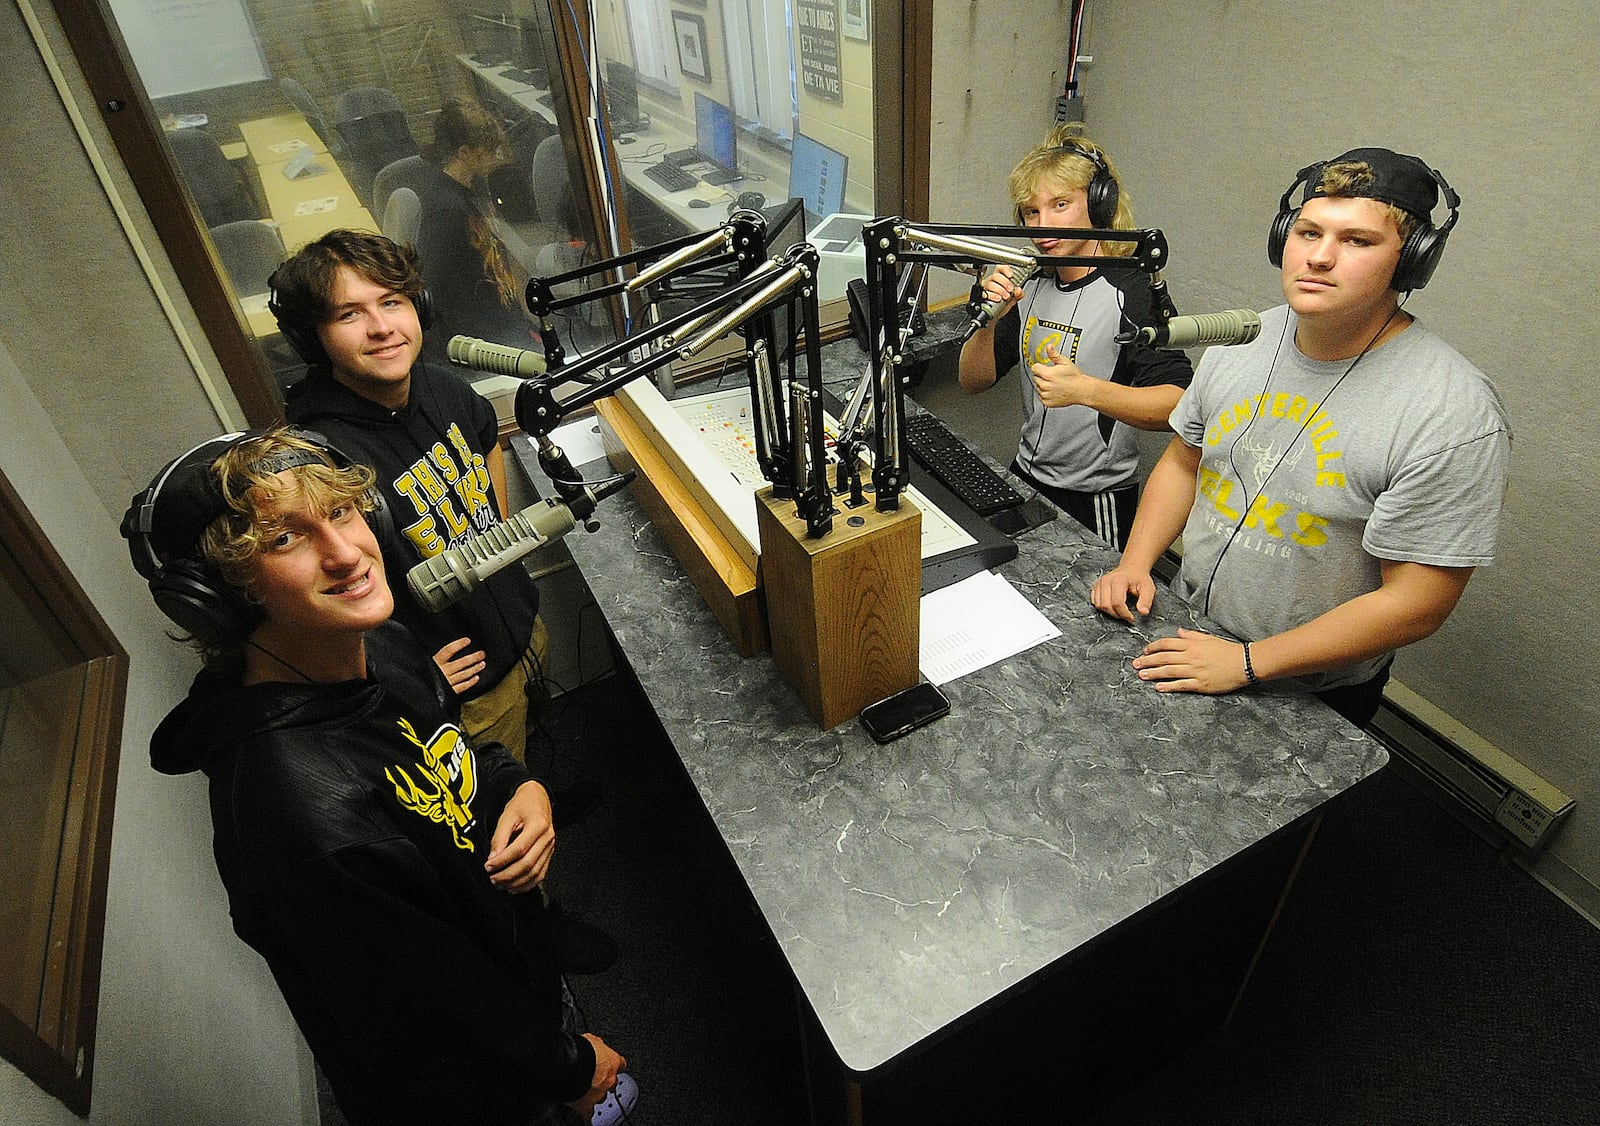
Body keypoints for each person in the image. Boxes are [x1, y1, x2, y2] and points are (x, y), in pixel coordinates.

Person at [121, 427, 632, 1126]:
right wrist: (570, 1067)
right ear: (221, 596)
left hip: (515, 989)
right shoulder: (298, 820)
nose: (345, 553)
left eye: (340, 513)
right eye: (284, 539)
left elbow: (453, 749)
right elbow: (430, 1017)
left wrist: (520, 787)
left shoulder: (377, 644)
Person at [1090, 147, 1511, 726]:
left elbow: (1417, 604)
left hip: (1312, 689)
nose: (1320, 257)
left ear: (1411, 262)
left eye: (1358, 241)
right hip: (1190, 631)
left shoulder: (1452, 413)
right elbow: (1186, 461)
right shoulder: (1245, 338)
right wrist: (1137, 561)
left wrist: (1248, 662)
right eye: (1308, 232)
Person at [274, 228, 545, 761]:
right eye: (348, 314)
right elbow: (311, 593)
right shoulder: (322, 458)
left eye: (391, 302)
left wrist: (500, 557)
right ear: (315, 337)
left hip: (521, 625)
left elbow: (486, 439)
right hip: (466, 692)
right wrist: (400, 672)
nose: (380, 328)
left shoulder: (442, 387)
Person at [957, 125, 1193, 548]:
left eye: (1060, 205)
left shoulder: (1133, 290)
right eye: (1031, 212)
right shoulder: (1031, 282)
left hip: (1095, 496)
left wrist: (1086, 391)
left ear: (1099, 207)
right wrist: (990, 319)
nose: (1042, 226)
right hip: (1026, 475)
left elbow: (1179, 404)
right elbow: (974, 381)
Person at [412, 95, 538, 362]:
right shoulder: (445, 211)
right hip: (487, 338)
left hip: (505, 319)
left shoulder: (472, 186)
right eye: (488, 151)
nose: (496, 157)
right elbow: (443, 291)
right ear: (464, 153)